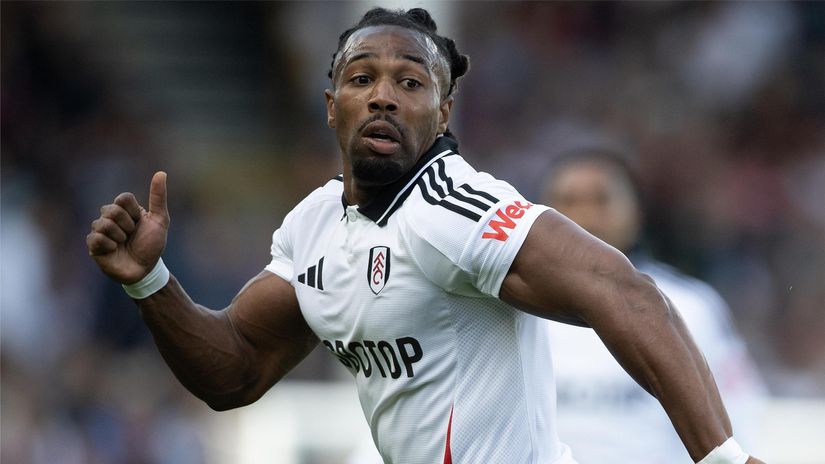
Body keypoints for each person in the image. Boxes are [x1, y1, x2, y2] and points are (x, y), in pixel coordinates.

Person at [86, 8, 765, 464]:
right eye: (362, 79)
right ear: (332, 106)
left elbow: (625, 292)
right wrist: (152, 283)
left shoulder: (458, 209)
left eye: (409, 83)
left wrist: (723, 457)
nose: (383, 95)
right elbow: (235, 371)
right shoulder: (312, 227)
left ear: (442, 112)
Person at [540, 147, 768, 463]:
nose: (585, 216)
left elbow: (740, 417)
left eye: (601, 200)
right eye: (568, 201)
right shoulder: (513, 311)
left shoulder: (691, 307)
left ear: (636, 211)